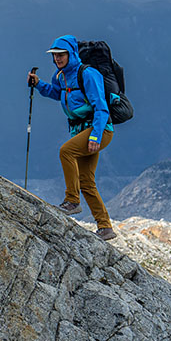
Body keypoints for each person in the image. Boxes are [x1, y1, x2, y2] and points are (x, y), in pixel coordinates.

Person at [27, 35, 117, 240]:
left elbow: (101, 108)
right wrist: (38, 84)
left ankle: (72, 201)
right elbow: (56, 93)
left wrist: (95, 136)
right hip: (80, 131)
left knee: (66, 151)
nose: (58, 59)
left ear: (71, 54)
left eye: (61, 54)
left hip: (100, 130)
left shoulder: (88, 74)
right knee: (86, 181)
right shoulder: (60, 76)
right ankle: (105, 227)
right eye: (55, 55)